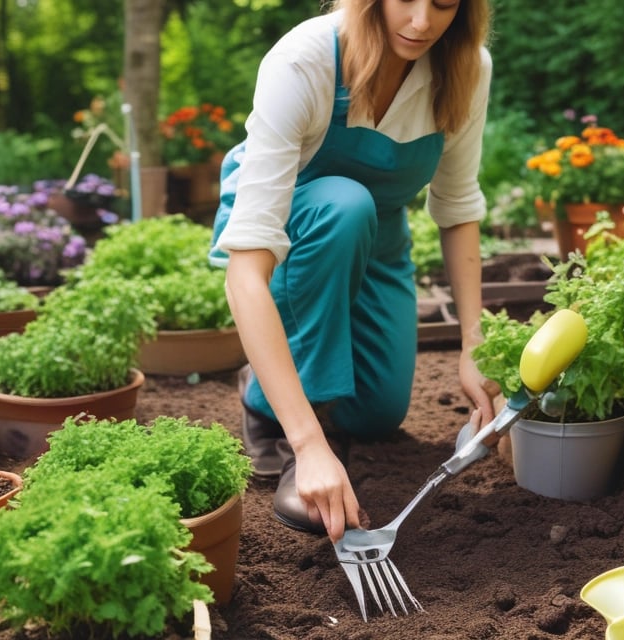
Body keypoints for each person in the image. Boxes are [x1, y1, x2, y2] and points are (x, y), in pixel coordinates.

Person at [209, 0, 496, 543]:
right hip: (293, 225)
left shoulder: (464, 66)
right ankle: (274, 413)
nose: (421, 23)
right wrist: (310, 444)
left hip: (380, 232)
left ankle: (295, 376)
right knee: (344, 204)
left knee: (376, 415)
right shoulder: (306, 59)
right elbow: (245, 273)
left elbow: (457, 209)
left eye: (442, 5)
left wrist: (472, 345)